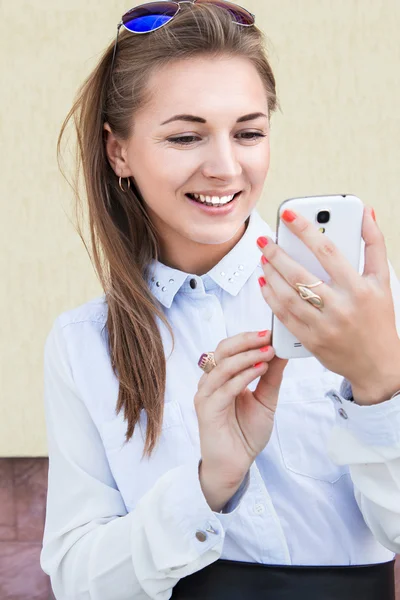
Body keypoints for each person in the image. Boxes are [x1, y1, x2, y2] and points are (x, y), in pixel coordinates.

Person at [40, 2, 400, 599]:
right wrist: (207, 486)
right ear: (118, 152)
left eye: (249, 132)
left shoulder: (361, 305)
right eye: (186, 135)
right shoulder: (83, 344)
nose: (226, 167)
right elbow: (77, 580)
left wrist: (379, 387)